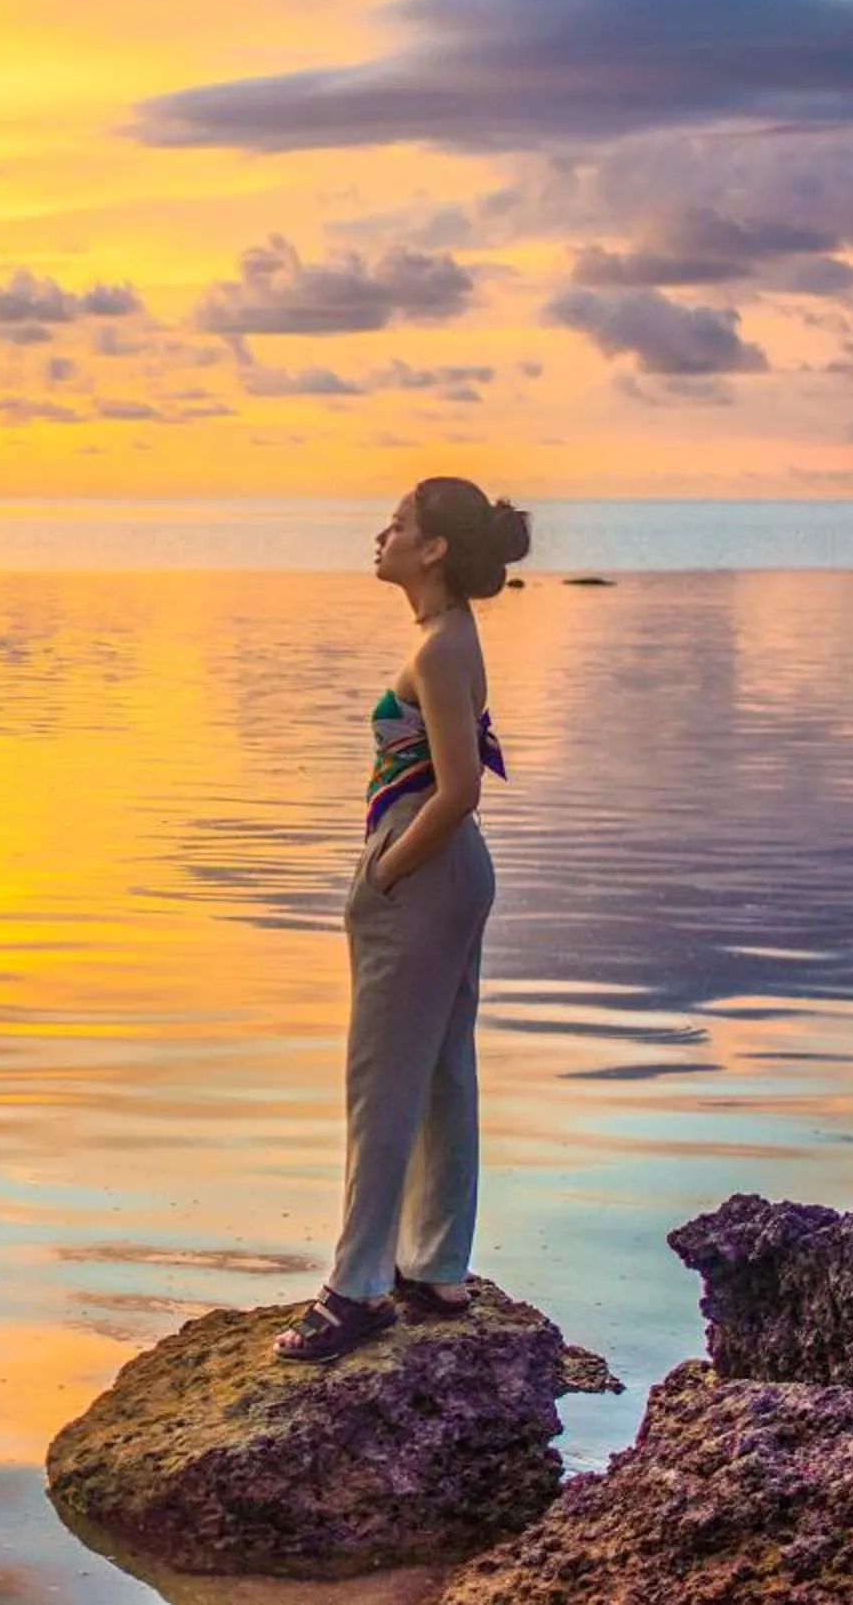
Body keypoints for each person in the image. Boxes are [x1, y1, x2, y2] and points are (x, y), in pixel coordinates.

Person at [275, 477, 532, 1363]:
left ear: (432, 551)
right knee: (438, 1071)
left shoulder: (437, 651)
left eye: (398, 525)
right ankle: (434, 1266)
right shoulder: (449, 638)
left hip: (421, 875)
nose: (380, 534)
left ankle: (356, 1290)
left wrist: (384, 872)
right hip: (449, 878)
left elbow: (456, 792)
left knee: (380, 1083)